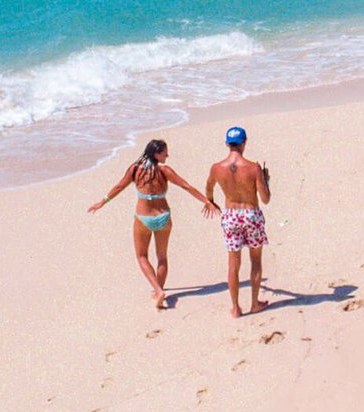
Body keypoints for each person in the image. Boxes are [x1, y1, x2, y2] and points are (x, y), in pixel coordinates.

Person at [89, 139, 219, 309]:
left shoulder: (135, 169)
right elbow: (186, 187)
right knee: (162, 257)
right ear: (156, 154)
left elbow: (119, 186)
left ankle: (157, 290)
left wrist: (102, 202)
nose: (167, 155)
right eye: (165, 152)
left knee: (142, 256)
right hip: (163, 217)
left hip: (143, 218)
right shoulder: (164, 170)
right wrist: (206, 201)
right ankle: (159, 289)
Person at [205, 126, 272, 317]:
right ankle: (254, 303)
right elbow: (265, 199)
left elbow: (208, 189)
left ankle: (235, 308)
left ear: (227, 144)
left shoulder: (217, 168)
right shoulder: (253, 167)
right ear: (245, 143)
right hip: (251, 214)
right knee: (256, 261)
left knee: (233, 264)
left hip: (231, 216)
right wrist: (266, 181)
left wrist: (211, 202)